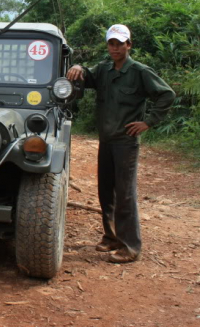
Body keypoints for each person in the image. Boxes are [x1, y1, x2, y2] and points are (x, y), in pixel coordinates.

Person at [66, 24, 175, 264]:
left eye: (120, 43)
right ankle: (111, 237)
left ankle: (130, 246)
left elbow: (166, 94)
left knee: (125, 194)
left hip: (125, 142)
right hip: (106, 140)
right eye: (111, 43)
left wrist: (148, 122)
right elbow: (87, 75)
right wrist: (77, 67)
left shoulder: (139, 71)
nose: (115, 48)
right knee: (106, 190)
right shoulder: (104, 69)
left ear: (129, 45)